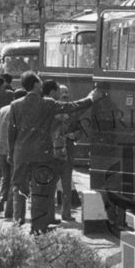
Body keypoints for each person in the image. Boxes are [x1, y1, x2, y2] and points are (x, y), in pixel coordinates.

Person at [8, 71, 103, 235]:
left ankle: (17, 224)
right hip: (41, 154)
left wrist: (11, 153)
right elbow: (72, 107)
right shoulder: (48, 103)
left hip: (21, 153)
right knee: (40, 191)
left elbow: (11, 132)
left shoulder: (15, 105)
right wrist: (90, 98)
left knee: (19, 188)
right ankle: (37, 228)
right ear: (37, 84)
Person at [0, 88, 27, 219]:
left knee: (5, 179)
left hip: (0, 149)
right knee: (14, 181)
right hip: (14, 151)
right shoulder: (20, 111)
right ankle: (9, 211)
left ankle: (0, 199)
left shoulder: (2, 110)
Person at [50, 83, 78, 222]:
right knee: (50, 185)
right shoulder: (51, 109)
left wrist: (75, 135)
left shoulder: (73, 111)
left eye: (67, 91)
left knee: (67, 186)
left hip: (68, 152)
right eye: (62, 92)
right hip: (53, 153)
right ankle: (50, 214)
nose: (65, 94)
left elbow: (80, 129)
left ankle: (66, 214)